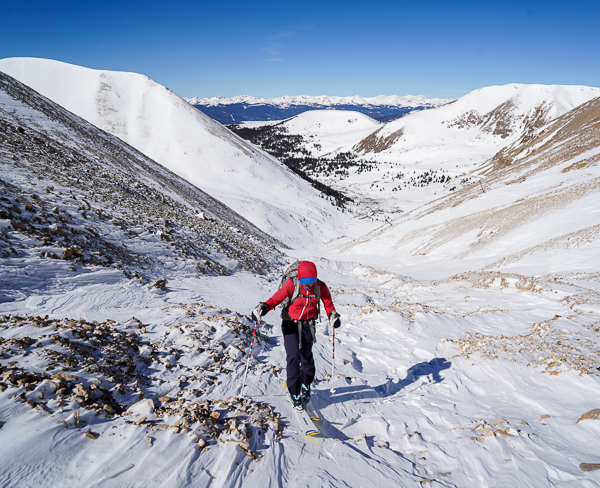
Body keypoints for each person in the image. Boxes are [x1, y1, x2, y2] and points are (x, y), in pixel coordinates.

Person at [252, 261, 341, 411]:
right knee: (293, 356)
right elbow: (276, 299)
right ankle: (295, 394)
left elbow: (328, 303)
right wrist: (263, 308)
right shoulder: (292, 285)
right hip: (290, 324)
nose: (307, 285)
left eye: (310, 282)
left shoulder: (320, 287)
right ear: (299, 278)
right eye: (304, 282)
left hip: (308, 324)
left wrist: (333, 316)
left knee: (306, 356)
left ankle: (306, 384)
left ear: (315, 278)